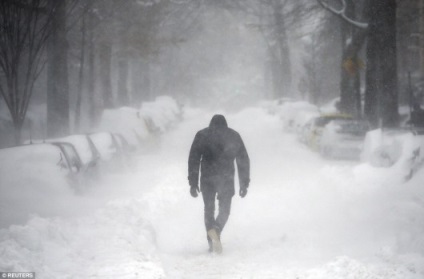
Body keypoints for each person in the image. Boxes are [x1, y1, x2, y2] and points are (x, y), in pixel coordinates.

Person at [188, 114, 250, 253]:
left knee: (209, 209)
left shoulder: (202, 135)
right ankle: (217, 229)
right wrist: (244, 183)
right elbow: (243, 160)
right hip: (226, 177)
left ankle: (211, 240)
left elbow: (194, 159)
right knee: (225, 210)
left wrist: (193, 182)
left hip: (207, 177)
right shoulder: (233, 136)